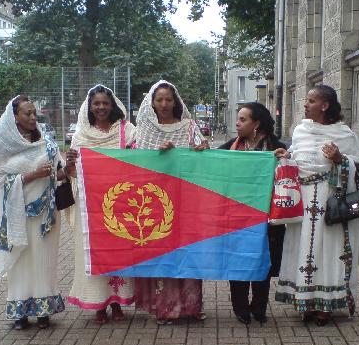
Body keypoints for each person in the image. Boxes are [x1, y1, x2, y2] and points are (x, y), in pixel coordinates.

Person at [274, 85, 359, 326]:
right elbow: (297, 158)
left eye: (311, 101)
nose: (306, 104)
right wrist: (286, 156)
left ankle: (326, 305)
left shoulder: (344, 134)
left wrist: (339, 159)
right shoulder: (301, 131)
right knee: (303, 248)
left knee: (328, 250)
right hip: (303, 201)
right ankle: (305, 301)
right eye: (307, 100)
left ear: (325, 105)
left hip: (330, 200)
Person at [0, 95, 71, 330]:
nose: (33, 117)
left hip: (46, 214)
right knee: (21, 261)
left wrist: (69, 168)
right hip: (17, 215)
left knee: (44, 261)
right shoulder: (2, 146)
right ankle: (19, 312)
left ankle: (44, 311)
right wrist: (32, 175)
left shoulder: (46, 142)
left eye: (34, 113)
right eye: (27, 113)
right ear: (14, 117)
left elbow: (58, 174)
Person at [133, 80, 209, 325]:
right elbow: (134, 165)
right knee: (163, 253)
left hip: (187, 201)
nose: (164, 104)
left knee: (188, 252)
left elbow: (203, 160)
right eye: (159, 100)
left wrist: (203, 150)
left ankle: (190, 307)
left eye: (169, 99)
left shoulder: (189, 127)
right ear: (152, 103)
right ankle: (165, 308)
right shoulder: (143, 129)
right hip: (157, 202)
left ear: (176, 101)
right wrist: (158, 155)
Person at [64, 85, 137, 324]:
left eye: (106, 103)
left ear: (113, 105)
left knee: (119, 252)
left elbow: (140, 162)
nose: (102, 107)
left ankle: (117, 302)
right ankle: (98, 304)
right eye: (97, 103)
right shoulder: (81, 135)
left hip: (120, 203)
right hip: (91, 207)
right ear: (90, 106)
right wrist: (70, 164)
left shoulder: (127, 131)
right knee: (93, 251)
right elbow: (73, 174)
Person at [218, 102, 286, 325]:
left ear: (256, 124)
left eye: (243, 119)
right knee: (237, 260)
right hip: (236, 216)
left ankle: (259, 307)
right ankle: (240, 308)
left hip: (267, 217)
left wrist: (284, 160)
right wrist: (201, 151)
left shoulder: (276, 148)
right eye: (237, 119)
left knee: (262, 260)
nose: (237, 124)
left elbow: (290, 176)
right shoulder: (231, 148)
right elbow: (209, 165)